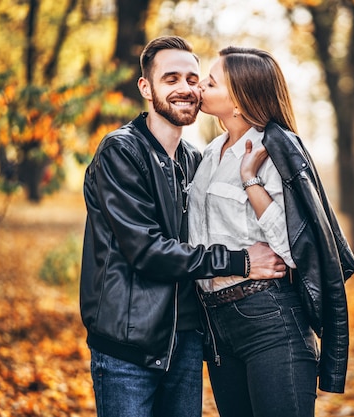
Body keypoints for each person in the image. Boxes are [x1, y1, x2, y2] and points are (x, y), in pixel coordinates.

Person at [79, 36, 287, 417]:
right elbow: (146, 250)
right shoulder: (121, 151)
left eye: (194, 79)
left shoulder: (198, 160)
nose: (185, 89)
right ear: (146, 87)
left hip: (188, 341)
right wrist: (241, 261)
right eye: (170, 78)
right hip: (129, 345)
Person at [189, 46, 354, 417]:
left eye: (211, 82)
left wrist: (251, 180)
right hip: (217, 326)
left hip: (269, 320)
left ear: (238, 101)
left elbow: (295, 247)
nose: (200, 86)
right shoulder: (208, 154)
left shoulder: (275, 149)